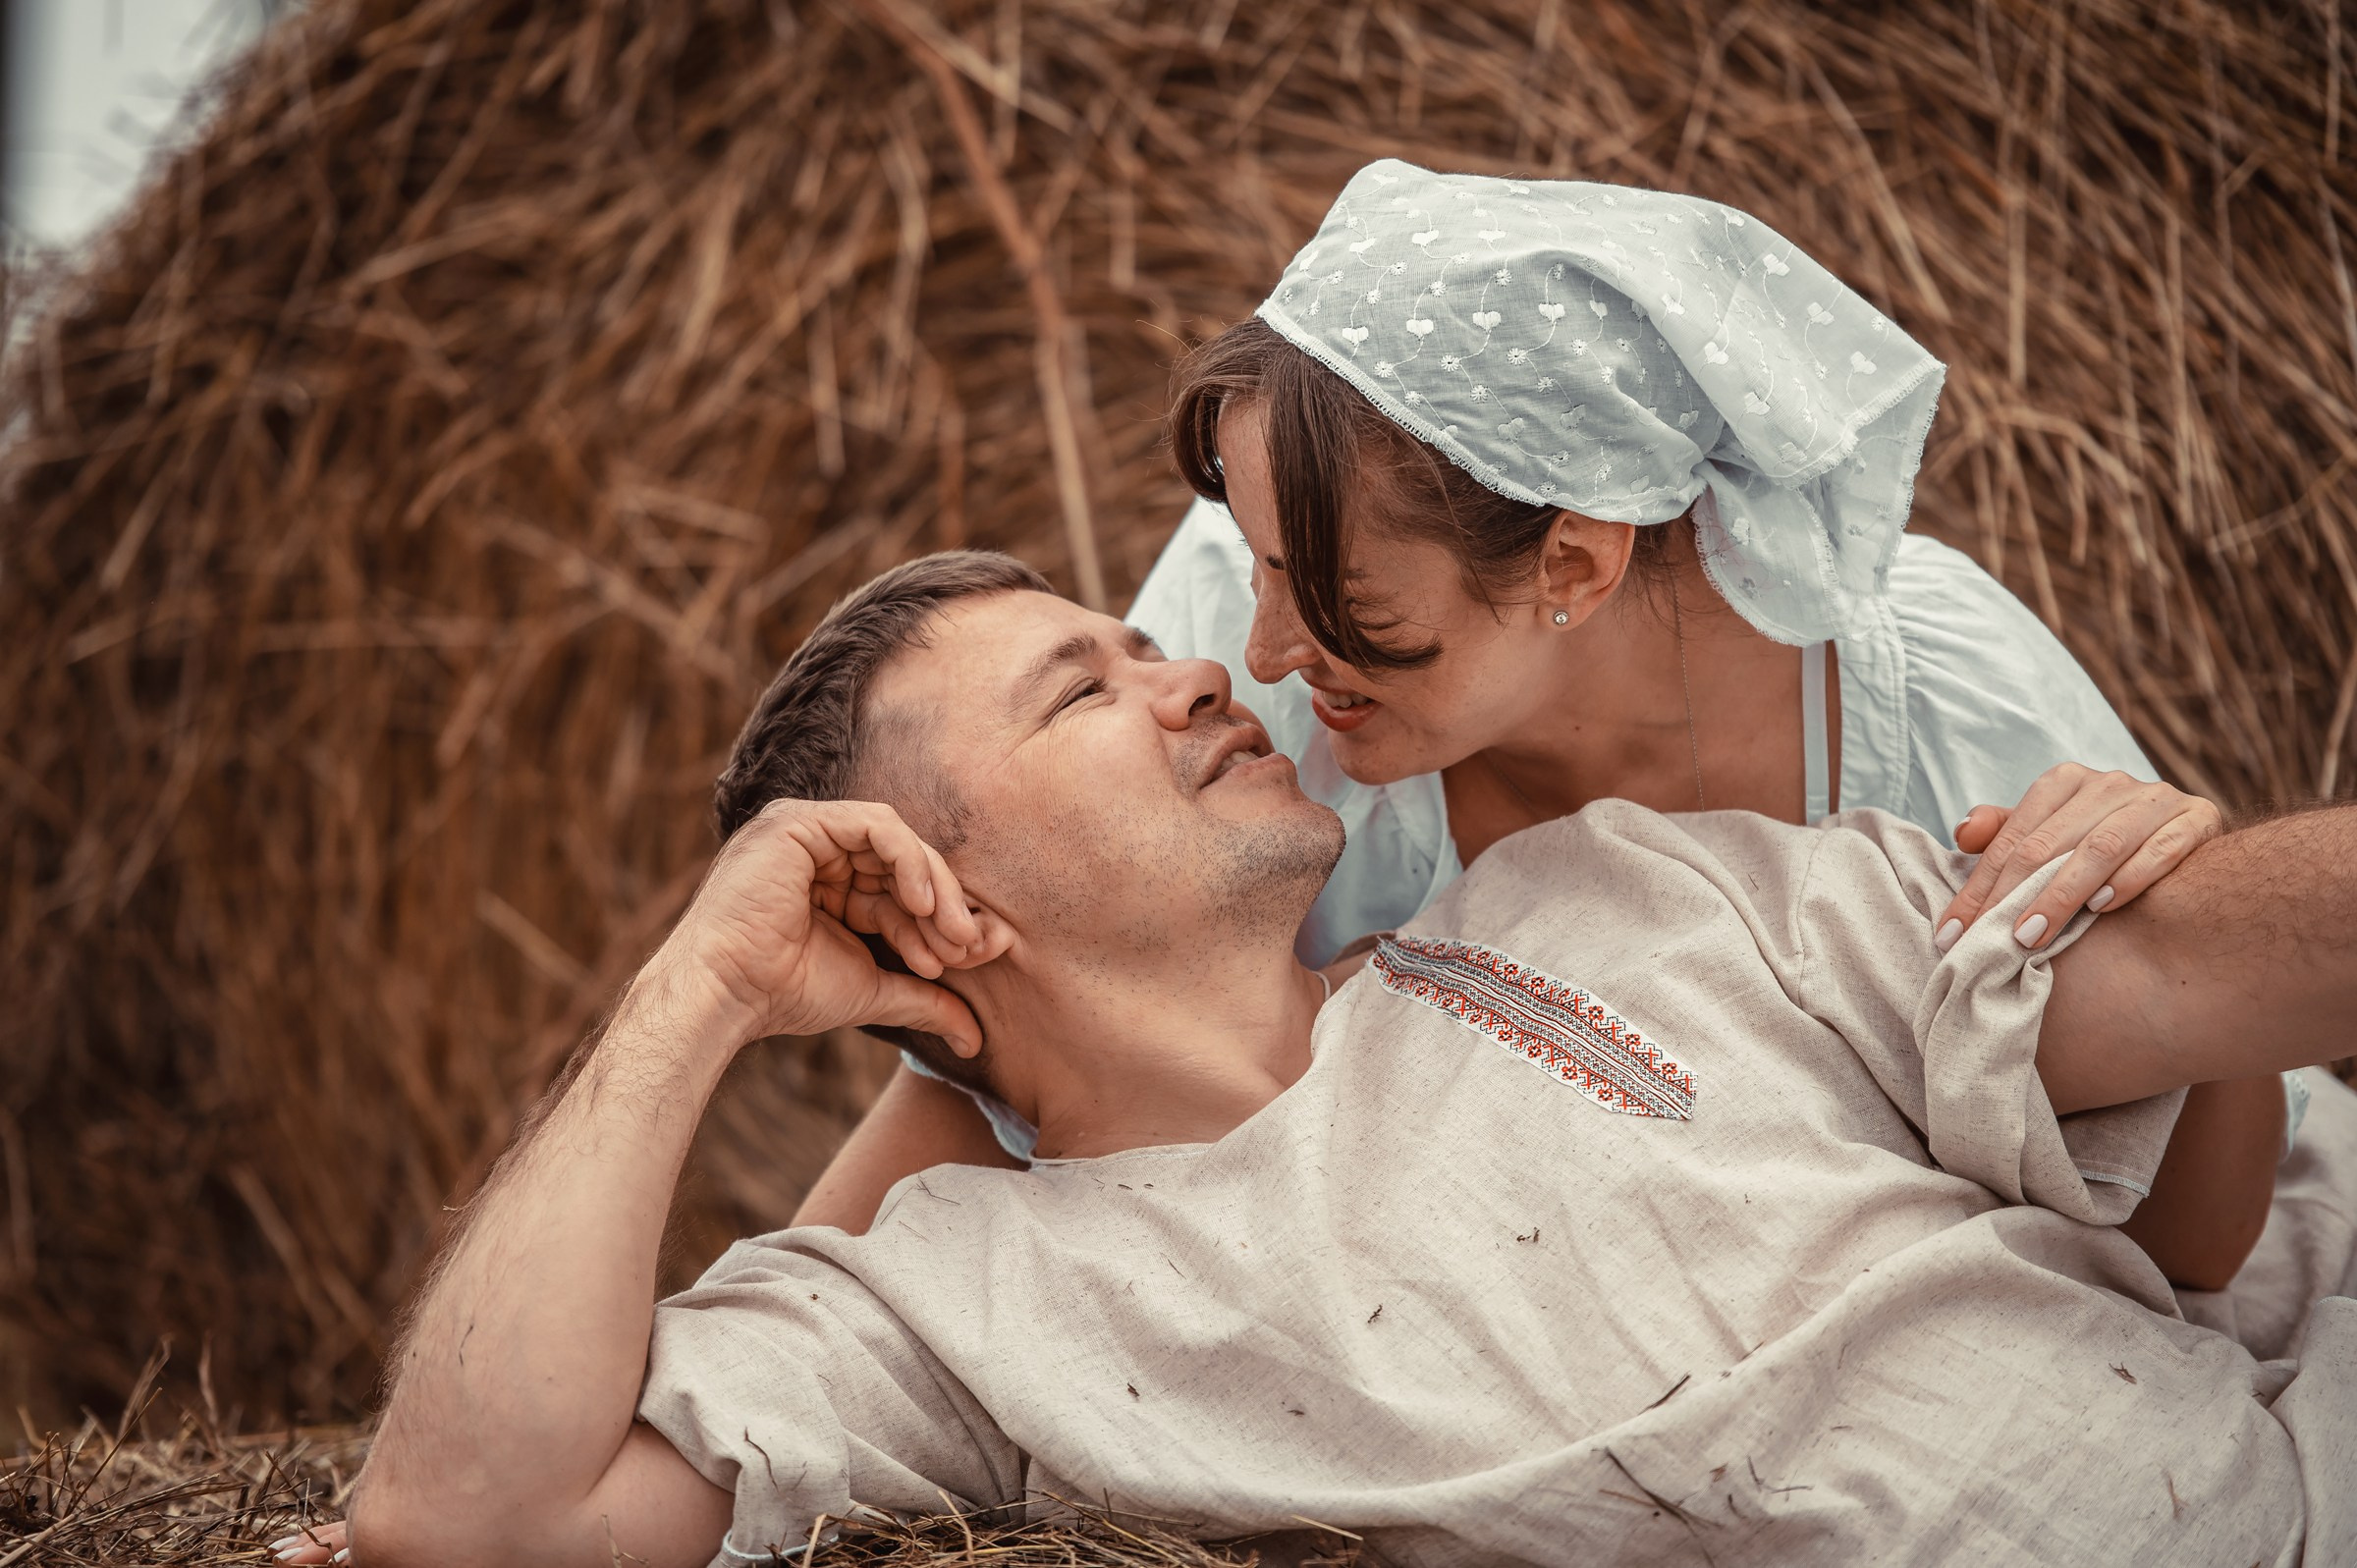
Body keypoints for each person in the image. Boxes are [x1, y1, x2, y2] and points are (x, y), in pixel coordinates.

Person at [302, 555, 2355, 1568]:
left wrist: (2149, 859)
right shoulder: (959, 1304)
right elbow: (462, 1530)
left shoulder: (1636, 889)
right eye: (1081, 690)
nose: (1199, 662)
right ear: (924, 887)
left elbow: (2204, 1005)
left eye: (1150, 642)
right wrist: (702, 980)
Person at [799, 162, 2294, 1302]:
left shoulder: (1939, 711)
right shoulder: (1238, 663)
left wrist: (2169, 870)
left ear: (1577, 561)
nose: (1252, 651)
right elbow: (1006, 1042)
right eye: (1252, 557)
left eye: (1328, 600)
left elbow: (2194, 1222)